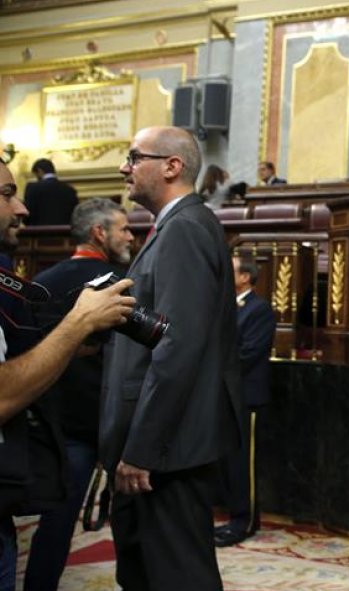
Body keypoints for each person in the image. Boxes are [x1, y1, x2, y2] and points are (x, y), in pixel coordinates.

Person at [101, 126, 242, 591]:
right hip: (163, 446)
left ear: (171, 166)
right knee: (145, 573)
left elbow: (178, 348)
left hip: (168, 451)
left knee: (178, 577)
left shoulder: (185, 229)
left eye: (134, 157)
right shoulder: (176, 228)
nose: (125, 166)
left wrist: (144, 448)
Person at [0, 160, 135, 591]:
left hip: (54, 429)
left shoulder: (42, 280)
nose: (23, 209)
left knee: (55, 526)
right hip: (86, 427)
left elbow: (33, 350)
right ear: (99, 233)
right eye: (7, 195)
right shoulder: (119, 282)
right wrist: (78, 325)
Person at [214, 254, 276, 547]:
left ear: (245, 277)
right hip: (225, 395)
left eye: (232, 270)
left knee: (244, 463)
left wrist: (211, 367)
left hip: (247, 397)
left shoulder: (259, 308)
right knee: (228, 462)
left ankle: (244, 521)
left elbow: (249, 353)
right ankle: (233, 515)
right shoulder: (225, 307)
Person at [24, 158, 78, 226]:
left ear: (39, 171)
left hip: (39, 232)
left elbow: (27, 213)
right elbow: (75, 215)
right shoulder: (69, 190)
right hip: (64, 232)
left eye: (36, 175)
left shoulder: (32, 188)